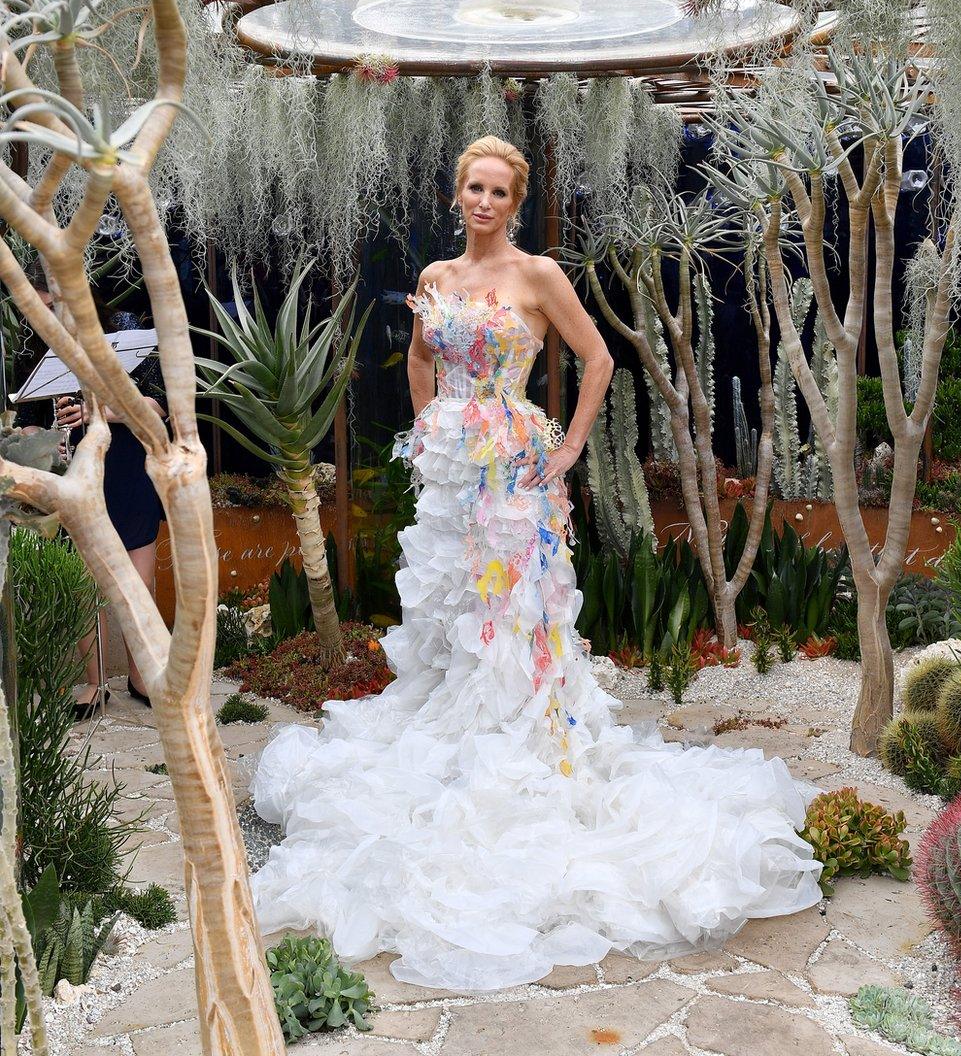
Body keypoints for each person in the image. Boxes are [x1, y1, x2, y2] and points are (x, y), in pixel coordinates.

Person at [250, 136, 823, 994]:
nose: (483, 202)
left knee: (515, 614)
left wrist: (572, 447)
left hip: (518, 471)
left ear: (515, 202)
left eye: (498, 192)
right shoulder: (438, 277)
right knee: (449, 609)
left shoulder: (539, 276)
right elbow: (416, 359)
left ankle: (525, 734)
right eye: (472, 189)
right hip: (450, 473)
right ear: (457, 195)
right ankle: (462, 724)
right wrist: (431, 430)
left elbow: (596, 359)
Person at [12, 269, 165, 718]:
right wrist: (40, 434)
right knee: (83, 587)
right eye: (38, 307)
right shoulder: (35, 352)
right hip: (76, 475)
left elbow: (158, 406)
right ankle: (95, 684)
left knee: (138, 586)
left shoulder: (125, 335)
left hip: (128, 469)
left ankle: (142, 676)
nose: (47, 315)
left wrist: (101, 412)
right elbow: (30, 419)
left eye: (54, 304)